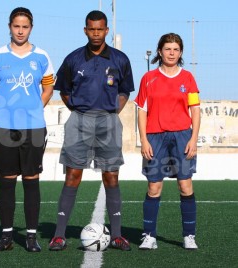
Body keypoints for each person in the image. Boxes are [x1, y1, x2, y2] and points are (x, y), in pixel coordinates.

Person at [48, 10, 135, 251]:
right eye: (91, 29)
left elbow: (125, 90)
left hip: (108, 121)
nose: (96, 33)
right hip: (80, 121)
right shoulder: (74, 59)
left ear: (107, 30)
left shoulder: (120, 59)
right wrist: (79, 111)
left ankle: (117, 235)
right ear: (85, 30)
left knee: (111, 175)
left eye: (100, 29)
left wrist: (112, 111)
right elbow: (63, 90)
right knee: (73, 175)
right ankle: (59, 235)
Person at [0, 7, 55, 252]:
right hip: (4, 127)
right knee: (7, 180)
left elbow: (48, 88)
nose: (20, 31)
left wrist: (34, 108)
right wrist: (4, 109)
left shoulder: (42, 56)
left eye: (25, 26)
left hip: (33, 126)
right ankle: (6, 237)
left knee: (31, 179)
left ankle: (31, 237)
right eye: (16, 26)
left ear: (31, 28)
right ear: (9, 26)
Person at [134, 33, 201, 250]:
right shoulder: (148, 78)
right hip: (155, 137)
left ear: (180, 53)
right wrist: (143, 140)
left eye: (175, 49)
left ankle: (189, 236)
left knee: (185, 185)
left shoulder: (188, 78)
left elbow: (195, 110)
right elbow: (142, 111)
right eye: (167, 49)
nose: (171, 53)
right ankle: (149, 236)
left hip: (182, 136)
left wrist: (193, 138)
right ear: (160, 51)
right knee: (154, 187)